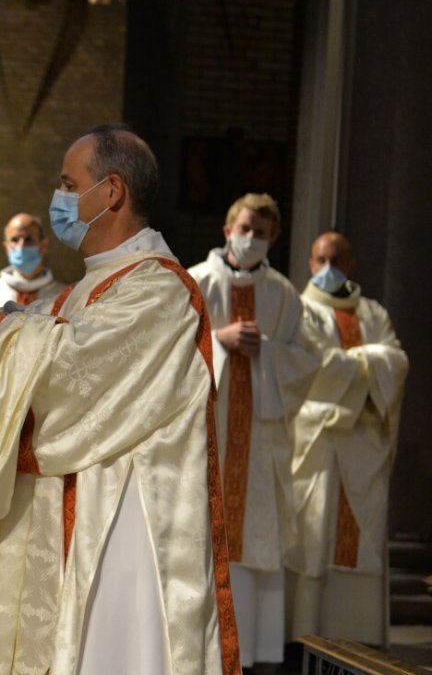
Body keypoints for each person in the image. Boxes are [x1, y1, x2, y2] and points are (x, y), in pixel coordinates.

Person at [0, 125, 239, 674]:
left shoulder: (159, 290)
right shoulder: (89, 288)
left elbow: (68, 369)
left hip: (125, 530)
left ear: (113, 192)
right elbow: (35, 336)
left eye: (67, 183)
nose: (59, 198)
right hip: (76, 527)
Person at [188, 192, 320, 669]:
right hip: (207, 439)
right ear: (226, 230)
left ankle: (255, 653)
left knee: (255, 541)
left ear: (273, 239)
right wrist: (217, 343)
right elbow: (165, 352)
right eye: (243, 229)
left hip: (260, 447)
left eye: (260, 233)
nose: (249, 239)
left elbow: (309, 363)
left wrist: (267, 350)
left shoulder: (284, 294)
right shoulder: (195, 282)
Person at [287, 231, 408, 645]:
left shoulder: (373, 313)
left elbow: (397, 361)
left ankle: (355, 638)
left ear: (352, 265)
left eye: (337, 260)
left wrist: (352, 364)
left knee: (358, 540)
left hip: (364, 448)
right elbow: (314, 370)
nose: (328, 269)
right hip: (320, 444)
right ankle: (304, 634)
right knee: (313, 541)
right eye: (320, 260)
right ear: (309, 263)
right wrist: (369, 365)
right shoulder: (300, 311)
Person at [0, 212, 66, 306]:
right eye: (15, 240)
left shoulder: (64, 297)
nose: (21, 245)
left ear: (43, 245)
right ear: (6, 248)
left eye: (28, 239)